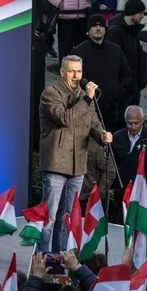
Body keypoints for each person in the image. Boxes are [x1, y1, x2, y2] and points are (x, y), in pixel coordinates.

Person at [39, 54, 113, 252]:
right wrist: (87, 98)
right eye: (71, 71)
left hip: (78, 165)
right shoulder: (50, 94)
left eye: (79, 71)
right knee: (50, 215)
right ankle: (43, 257)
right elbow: (65, 118)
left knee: (69, 216)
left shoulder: (83, 96)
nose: (76, 75)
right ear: (62, 72)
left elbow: (94, 123)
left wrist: (102, 135)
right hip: (56, 163)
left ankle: (61, 257)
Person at [72, 15, 134, 133]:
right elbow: (72, 79)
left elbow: (126, 75)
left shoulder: (116, 50)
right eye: (95, 26)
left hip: (112, 107)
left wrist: (117, 91)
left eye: (101, 26)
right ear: (88, 30)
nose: (98, 28)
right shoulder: (78, 52)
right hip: (87, 106)